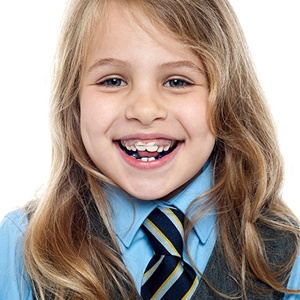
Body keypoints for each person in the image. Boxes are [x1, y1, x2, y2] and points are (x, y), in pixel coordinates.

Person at [0, 0, 299, 299]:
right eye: (113, 81)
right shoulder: (21, 245)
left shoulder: (288, 253)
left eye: (177, 81)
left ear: (227, 99)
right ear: (74, 100)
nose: (144, 110)